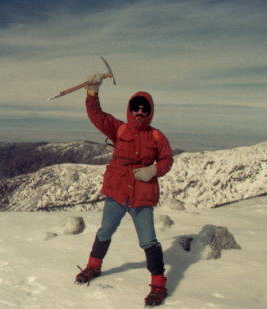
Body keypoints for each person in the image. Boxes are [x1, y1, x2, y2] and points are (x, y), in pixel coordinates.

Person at [75, 74, 174, 306]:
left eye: (144, 109)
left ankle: (159, 285)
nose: (139, 112)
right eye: (136, 108)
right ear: (130, 110)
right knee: (104, 232)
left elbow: (167, 160)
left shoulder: (157, 136)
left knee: (148, 240)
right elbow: (97, 116)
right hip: (118, 193)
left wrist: (153, 170)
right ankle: (93, 267)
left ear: (149, 112)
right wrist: (92, 92)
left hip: (142, 196)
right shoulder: (119, 130)